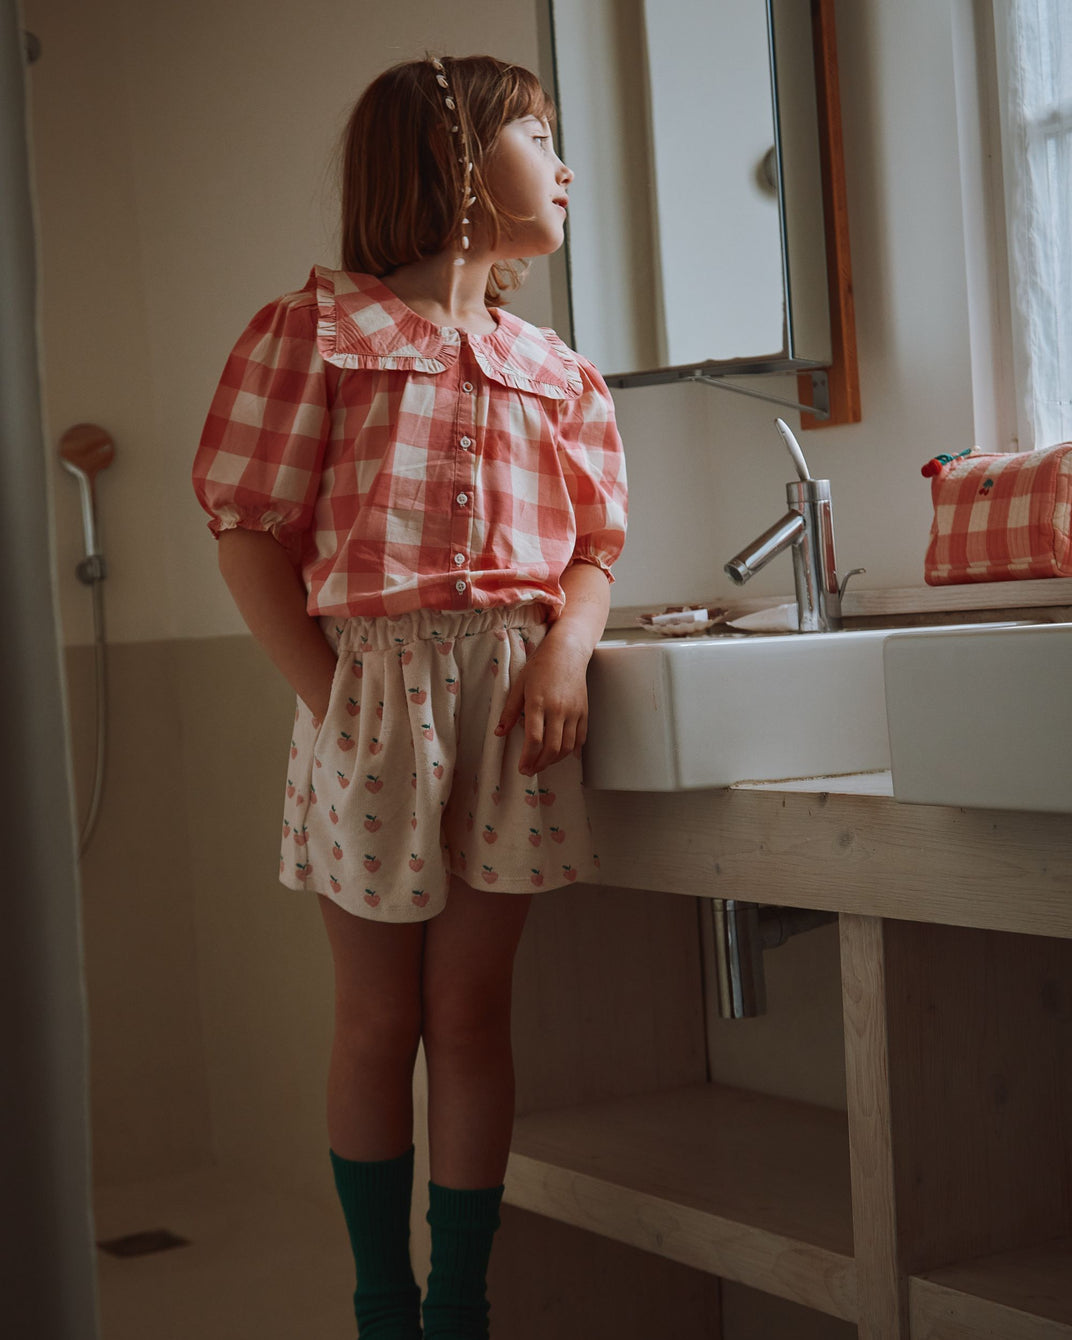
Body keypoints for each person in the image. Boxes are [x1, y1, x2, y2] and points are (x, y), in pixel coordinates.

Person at [192, 53, 626, 1339]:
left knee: (471, 1014)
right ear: (452, 159)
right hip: (369, 699)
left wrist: (562, 648)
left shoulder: (556, 370)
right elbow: (246, 530)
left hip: (509, 701)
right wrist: (335, 705)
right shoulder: (314, 332)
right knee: (380, 1018)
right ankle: (384, 1303)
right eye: (539, 135)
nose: (563, 165)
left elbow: (592, 548)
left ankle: (460, 1306)